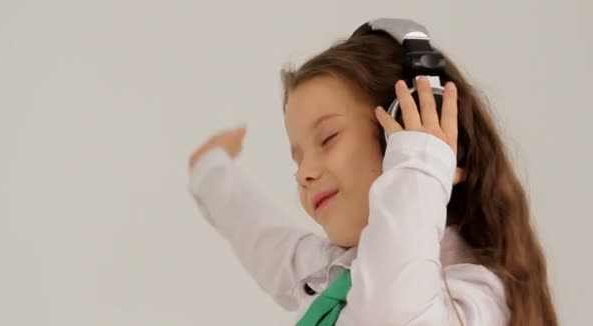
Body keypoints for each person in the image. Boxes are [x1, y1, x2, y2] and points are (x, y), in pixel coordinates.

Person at [186, 18, 558, 325]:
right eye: (297, 159)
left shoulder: (472, 299)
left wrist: (420, 165)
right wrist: (211, 169)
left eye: (328, 138)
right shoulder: (338, 274)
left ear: (405, 137)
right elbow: (263, 239)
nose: (304, 174)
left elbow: (390, 313)